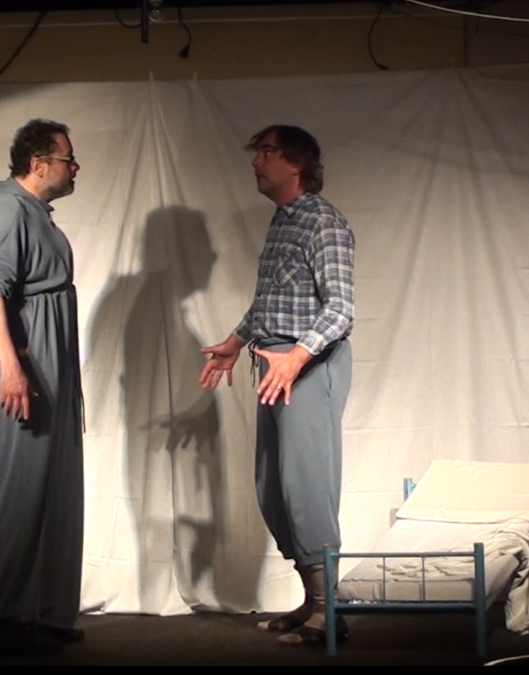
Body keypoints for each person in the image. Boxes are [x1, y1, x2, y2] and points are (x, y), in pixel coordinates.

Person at [200, 124, 355, 646]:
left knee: (305, 486)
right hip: (276, 364)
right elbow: (272, 299)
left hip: (308, 365)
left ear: (295, 163)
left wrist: (296, 359)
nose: (256, 162)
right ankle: (315, 601)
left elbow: (340, 309)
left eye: (266, 152)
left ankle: (328, 611)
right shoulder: (283, 220)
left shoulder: (323, 223)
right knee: (272, 487)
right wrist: (236, 340)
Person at [0, 119, 86, 656]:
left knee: (56, 492)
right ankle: (6, 619)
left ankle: (47, 612)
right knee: (19, 492)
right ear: (38, 164)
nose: (75, 167)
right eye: (67, 158)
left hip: (49, 363)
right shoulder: (5, 210)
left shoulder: (36, 213)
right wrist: (11, 367)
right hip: (25, 362)